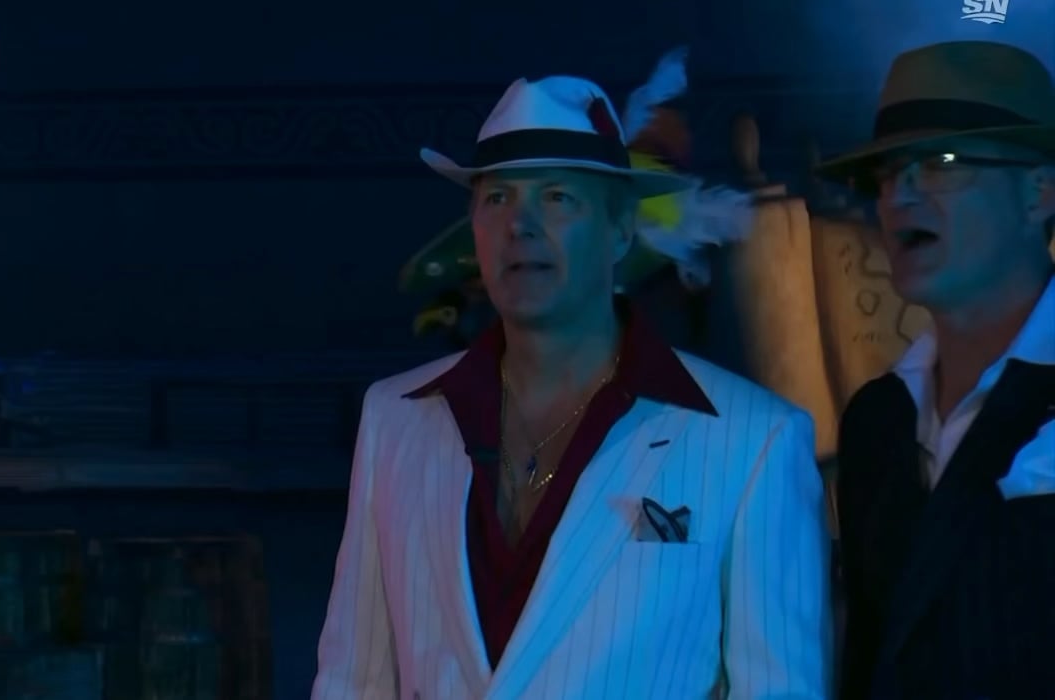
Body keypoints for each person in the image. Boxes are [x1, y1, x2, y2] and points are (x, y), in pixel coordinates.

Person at [313, 51, 833, 699]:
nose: (520, 226)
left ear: (620, 229)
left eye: (557, 197)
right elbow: (353, 679)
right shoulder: (396, 418)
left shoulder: (754, 440)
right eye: (498, 197)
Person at [817, 40, 1055, 700]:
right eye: (888, 172)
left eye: (941, 163)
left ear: (1039, 191)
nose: (900, 195)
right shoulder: (877, 419)